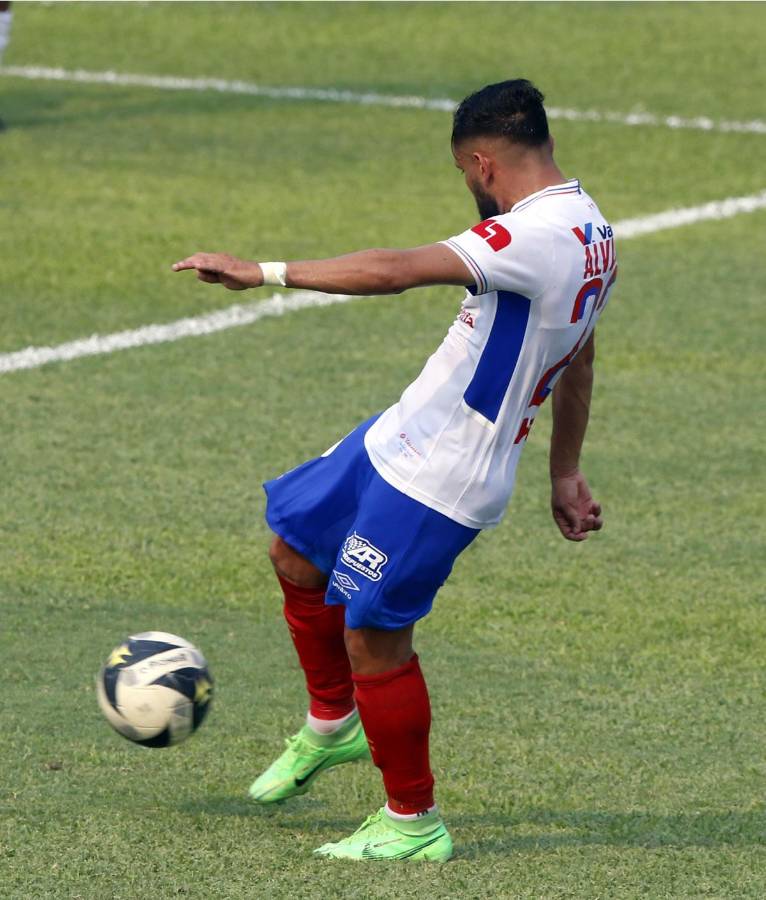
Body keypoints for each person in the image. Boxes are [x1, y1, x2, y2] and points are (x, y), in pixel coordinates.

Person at [173, 79, 616, 862]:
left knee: (374, 639)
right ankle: (330, 726)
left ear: (482, 163)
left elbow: (395, 268)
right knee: (295, 549)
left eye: (464, 177)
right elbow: (578, 358)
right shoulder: (591, 230)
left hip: (443, 478)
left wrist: (262, 272)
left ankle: (414, 822)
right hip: (401, 434)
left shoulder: (534, 237)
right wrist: (566, 471)